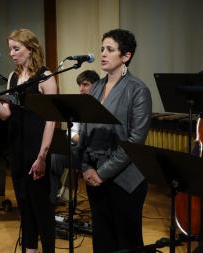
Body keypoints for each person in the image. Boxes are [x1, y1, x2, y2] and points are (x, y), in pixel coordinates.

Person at [0, 28, 57, 253]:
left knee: (41, 206)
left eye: (16, 48)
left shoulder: (45, 76)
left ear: (31, 49)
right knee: (24, 203)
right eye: (10, 49)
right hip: (16, 147)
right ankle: (30, 249)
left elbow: (52, 121)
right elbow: (6, 114)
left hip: (35, 148)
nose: (11, 53)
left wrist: (42, 156)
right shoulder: (14, 77)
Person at [78, 29, 152, 253]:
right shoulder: (96, 87)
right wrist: (86, 167)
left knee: (126, 243)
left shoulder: (138, 90)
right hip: (94, 176)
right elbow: (84, 130)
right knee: (102, 240)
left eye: (110, 49)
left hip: (125, 180)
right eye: (102, 48)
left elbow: (135, 140)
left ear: (126, 56)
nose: (103, 54)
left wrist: (103, 173)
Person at [50, 70, 99, 203]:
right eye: (80, 85)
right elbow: (70, 132)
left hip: (97, 155)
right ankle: (51, 201)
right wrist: (82, 140)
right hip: (80, 152)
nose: (81, 89)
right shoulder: (79, 106)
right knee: (55, 156)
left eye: (85, 85)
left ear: (96, 86)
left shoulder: (103, 105)